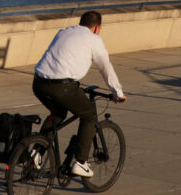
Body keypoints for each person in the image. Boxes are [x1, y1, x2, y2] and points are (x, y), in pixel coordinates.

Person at [32, 10, 126, 177]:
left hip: (39, 83)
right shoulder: (94, 39)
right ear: (97, 27)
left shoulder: (64, 31)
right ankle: (81, 162)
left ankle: (36, 152)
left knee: (58, 113)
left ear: (81, 22)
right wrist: (117, 92)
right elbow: (105, 67)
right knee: (88, 116)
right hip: (62, 87)